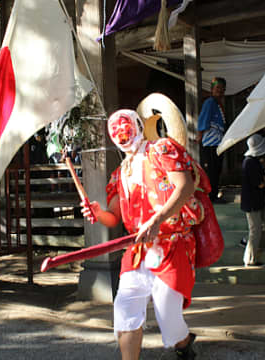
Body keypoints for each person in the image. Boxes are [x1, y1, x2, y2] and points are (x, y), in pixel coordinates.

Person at [82, 109, 210, 359]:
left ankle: (183, 344)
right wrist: (97, 213)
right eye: (116, 131)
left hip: (173, 243)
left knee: (167, 310)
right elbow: (114, 217)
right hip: (138, 249)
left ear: (138, 125)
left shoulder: (161, 150)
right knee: (125, 308)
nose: (121, 134)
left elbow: (183, 187)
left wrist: (157, 219)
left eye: (125, 127)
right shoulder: (121, 172)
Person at [241, 134, 265, 266]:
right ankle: (250, 259)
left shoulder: (251, 161)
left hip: (257, 201)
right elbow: (259, 183)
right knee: (255, 230)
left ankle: (247, 243)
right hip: (252, 202)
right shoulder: (250, 163)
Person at [197, 77, 227, 203]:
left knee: (216, 170)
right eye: (217, 88)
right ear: (212, 90)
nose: (220, 91)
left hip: (218, 142)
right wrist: (200, 135)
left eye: (222, 89)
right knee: (211, 171)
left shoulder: (218, 104)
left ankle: (214, 195)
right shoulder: (209, 102)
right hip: (210, 143)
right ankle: (211, 197)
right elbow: (203, 120)